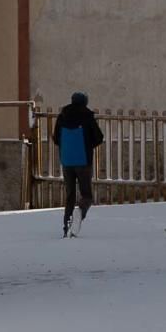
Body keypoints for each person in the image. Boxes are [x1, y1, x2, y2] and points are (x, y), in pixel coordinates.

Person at [52, 91, 104, 237]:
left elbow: (56, 139)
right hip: (83, 161)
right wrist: (88, 145)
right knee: (86, 195)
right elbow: (99, 137)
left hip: (67, 161)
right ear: (85, 102)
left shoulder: (62, 116)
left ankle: (66, 226)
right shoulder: (87, 116)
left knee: (70, 195)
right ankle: (79, 212)